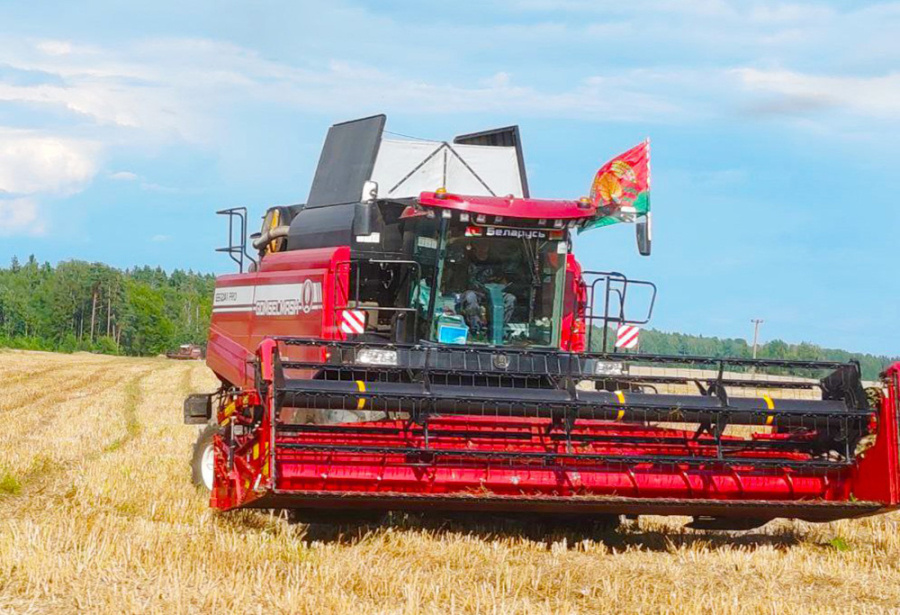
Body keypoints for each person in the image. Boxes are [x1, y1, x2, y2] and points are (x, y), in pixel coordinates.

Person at [458, 242, 517, 337]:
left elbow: (503, 280)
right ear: (474, 246)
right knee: (470, 296)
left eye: (485, 245)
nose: (482, 247)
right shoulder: (467, 261)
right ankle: (476, 328)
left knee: (510, 298)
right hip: (475, 292)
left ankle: (500, 327)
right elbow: (460, 282)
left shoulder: (495, 262)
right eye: (480, 244)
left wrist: (501, 285)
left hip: (494, 293)